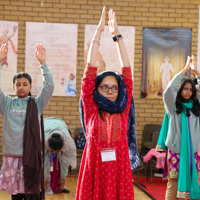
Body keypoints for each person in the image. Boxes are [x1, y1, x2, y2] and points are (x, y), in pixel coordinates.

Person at [76, 7, 140, 200]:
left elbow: (127, 72)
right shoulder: (91, 106)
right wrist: (98, 33)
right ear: (97, 89)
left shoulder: (123, 107)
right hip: (95, 166)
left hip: (119, 167)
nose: (111, 91)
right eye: (105, 87)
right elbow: (89, 72)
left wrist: (117, 35)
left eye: (114, 87)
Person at [0, 43, 54, 200]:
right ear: (13, 87)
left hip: (30, 159)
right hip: (12, 158)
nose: (21, 87)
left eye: (25, 84)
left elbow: (49, 86)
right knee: (15, 197)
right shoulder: (7, 103)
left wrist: (43, 63)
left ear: (30, 86)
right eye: (18, 85)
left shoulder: (36, 104)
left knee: (31, 196)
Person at [156, 55, 200, 199]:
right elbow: (169, 91)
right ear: (180, 90)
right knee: (173, 183)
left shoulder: (196, 109)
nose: (188, 92)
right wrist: (185, 69)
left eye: (190, 89)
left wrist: (197, 72)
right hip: (176, 151)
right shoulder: (173, 108)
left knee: (192, 182)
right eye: (185, 89)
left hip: (194, 152)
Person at [43, 117, 77, 194]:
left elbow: (65, 161)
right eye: (52, 150)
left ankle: (57, 186)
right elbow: (43, 162)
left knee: (58, 164)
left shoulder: (68, 143)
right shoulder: (42, 140)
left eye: (57, 150)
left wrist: (63, 178)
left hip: (60, 124)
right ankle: (45, 187)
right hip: (45, 124)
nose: (54, 152)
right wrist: (45, 179)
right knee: (47, 165)